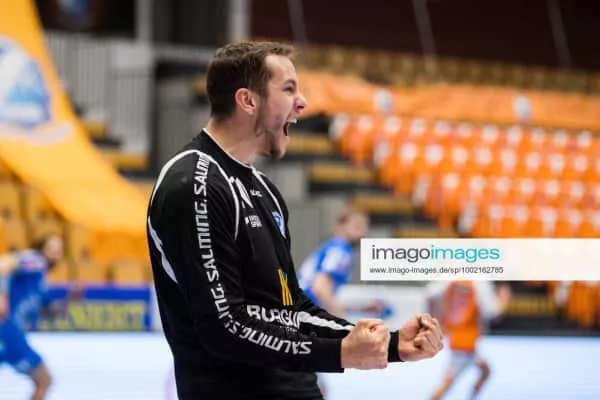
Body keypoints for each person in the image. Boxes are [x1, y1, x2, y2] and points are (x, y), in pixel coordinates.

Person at [146, 40, 444, 400]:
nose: (302, 103)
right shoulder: (194, 184)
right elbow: (223, 325)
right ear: (248, 100)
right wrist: (340, 353)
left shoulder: (264, 190)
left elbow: (291, 309)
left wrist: (390, 345)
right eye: (288, 89)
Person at [0, 234, 80, 400]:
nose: (56, 253)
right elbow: (3, 265)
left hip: (11, 331)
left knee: (43, 381)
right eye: (52, 248)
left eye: (59, 249)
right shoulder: (36, 261)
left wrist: (68, 302)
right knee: (44, 380)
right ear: (42, 248)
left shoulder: (40, 280)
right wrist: (1, 296)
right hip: (8, 329)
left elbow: (47, 312)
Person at [298, 208, 389, 320]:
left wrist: (361, 308)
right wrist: (342, 320)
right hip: (303, 310)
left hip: (302, 307)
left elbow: (324, 298)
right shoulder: (339, 250)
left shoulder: (335, 247)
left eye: (365, 226)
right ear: (340, 226)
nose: (363, 231)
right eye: (357, 226)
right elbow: (320, 288)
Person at [426, 280, 511, 400]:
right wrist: (503, 299)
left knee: (485, 371)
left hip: (459, 340)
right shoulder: (480, 283)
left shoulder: (449, 281)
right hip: (466, 345)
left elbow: (430, 294)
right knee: (448, 382)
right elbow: (492, 312)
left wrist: (438, 317)